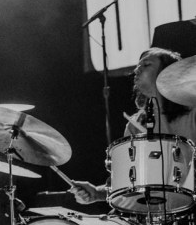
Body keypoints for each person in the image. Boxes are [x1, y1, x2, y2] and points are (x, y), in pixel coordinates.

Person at [70, 47, 188, 204]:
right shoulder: (136, 124)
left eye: (146, 65)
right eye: (137, 66)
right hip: (152, 211)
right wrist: (97, 193)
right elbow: (129, 183)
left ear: (166, 73)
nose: (137, 70)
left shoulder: (191, 115)